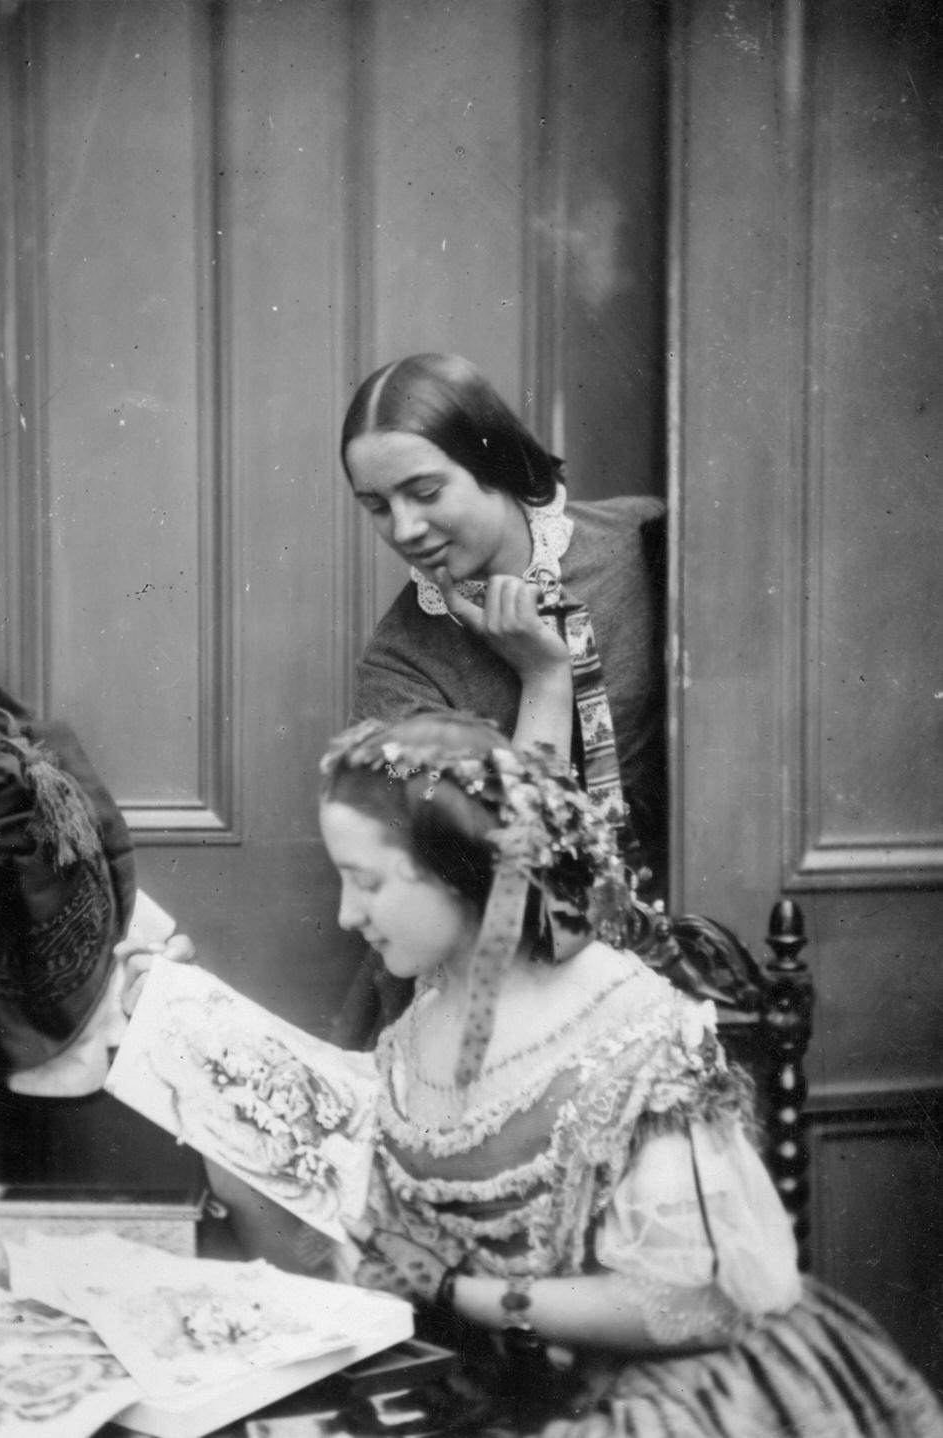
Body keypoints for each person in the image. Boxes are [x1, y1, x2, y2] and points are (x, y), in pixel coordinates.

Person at [317, 710, 942, 1437]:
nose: (344, 914)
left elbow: (698, 1304)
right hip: (493, 1373)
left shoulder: (633, 1034)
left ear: (462, 872)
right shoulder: (426, 1013)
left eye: (366, 881)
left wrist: (458, 1290)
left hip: (663, 1393)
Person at [337, 353, 666, 1044]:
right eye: (377, 507)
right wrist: (545, 681)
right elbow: (500, 889)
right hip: (497, 1003)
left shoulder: (645, 542)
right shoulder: (399, 669)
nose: (402, 529)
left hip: (674, 954)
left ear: (496, 463)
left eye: (424, 492)